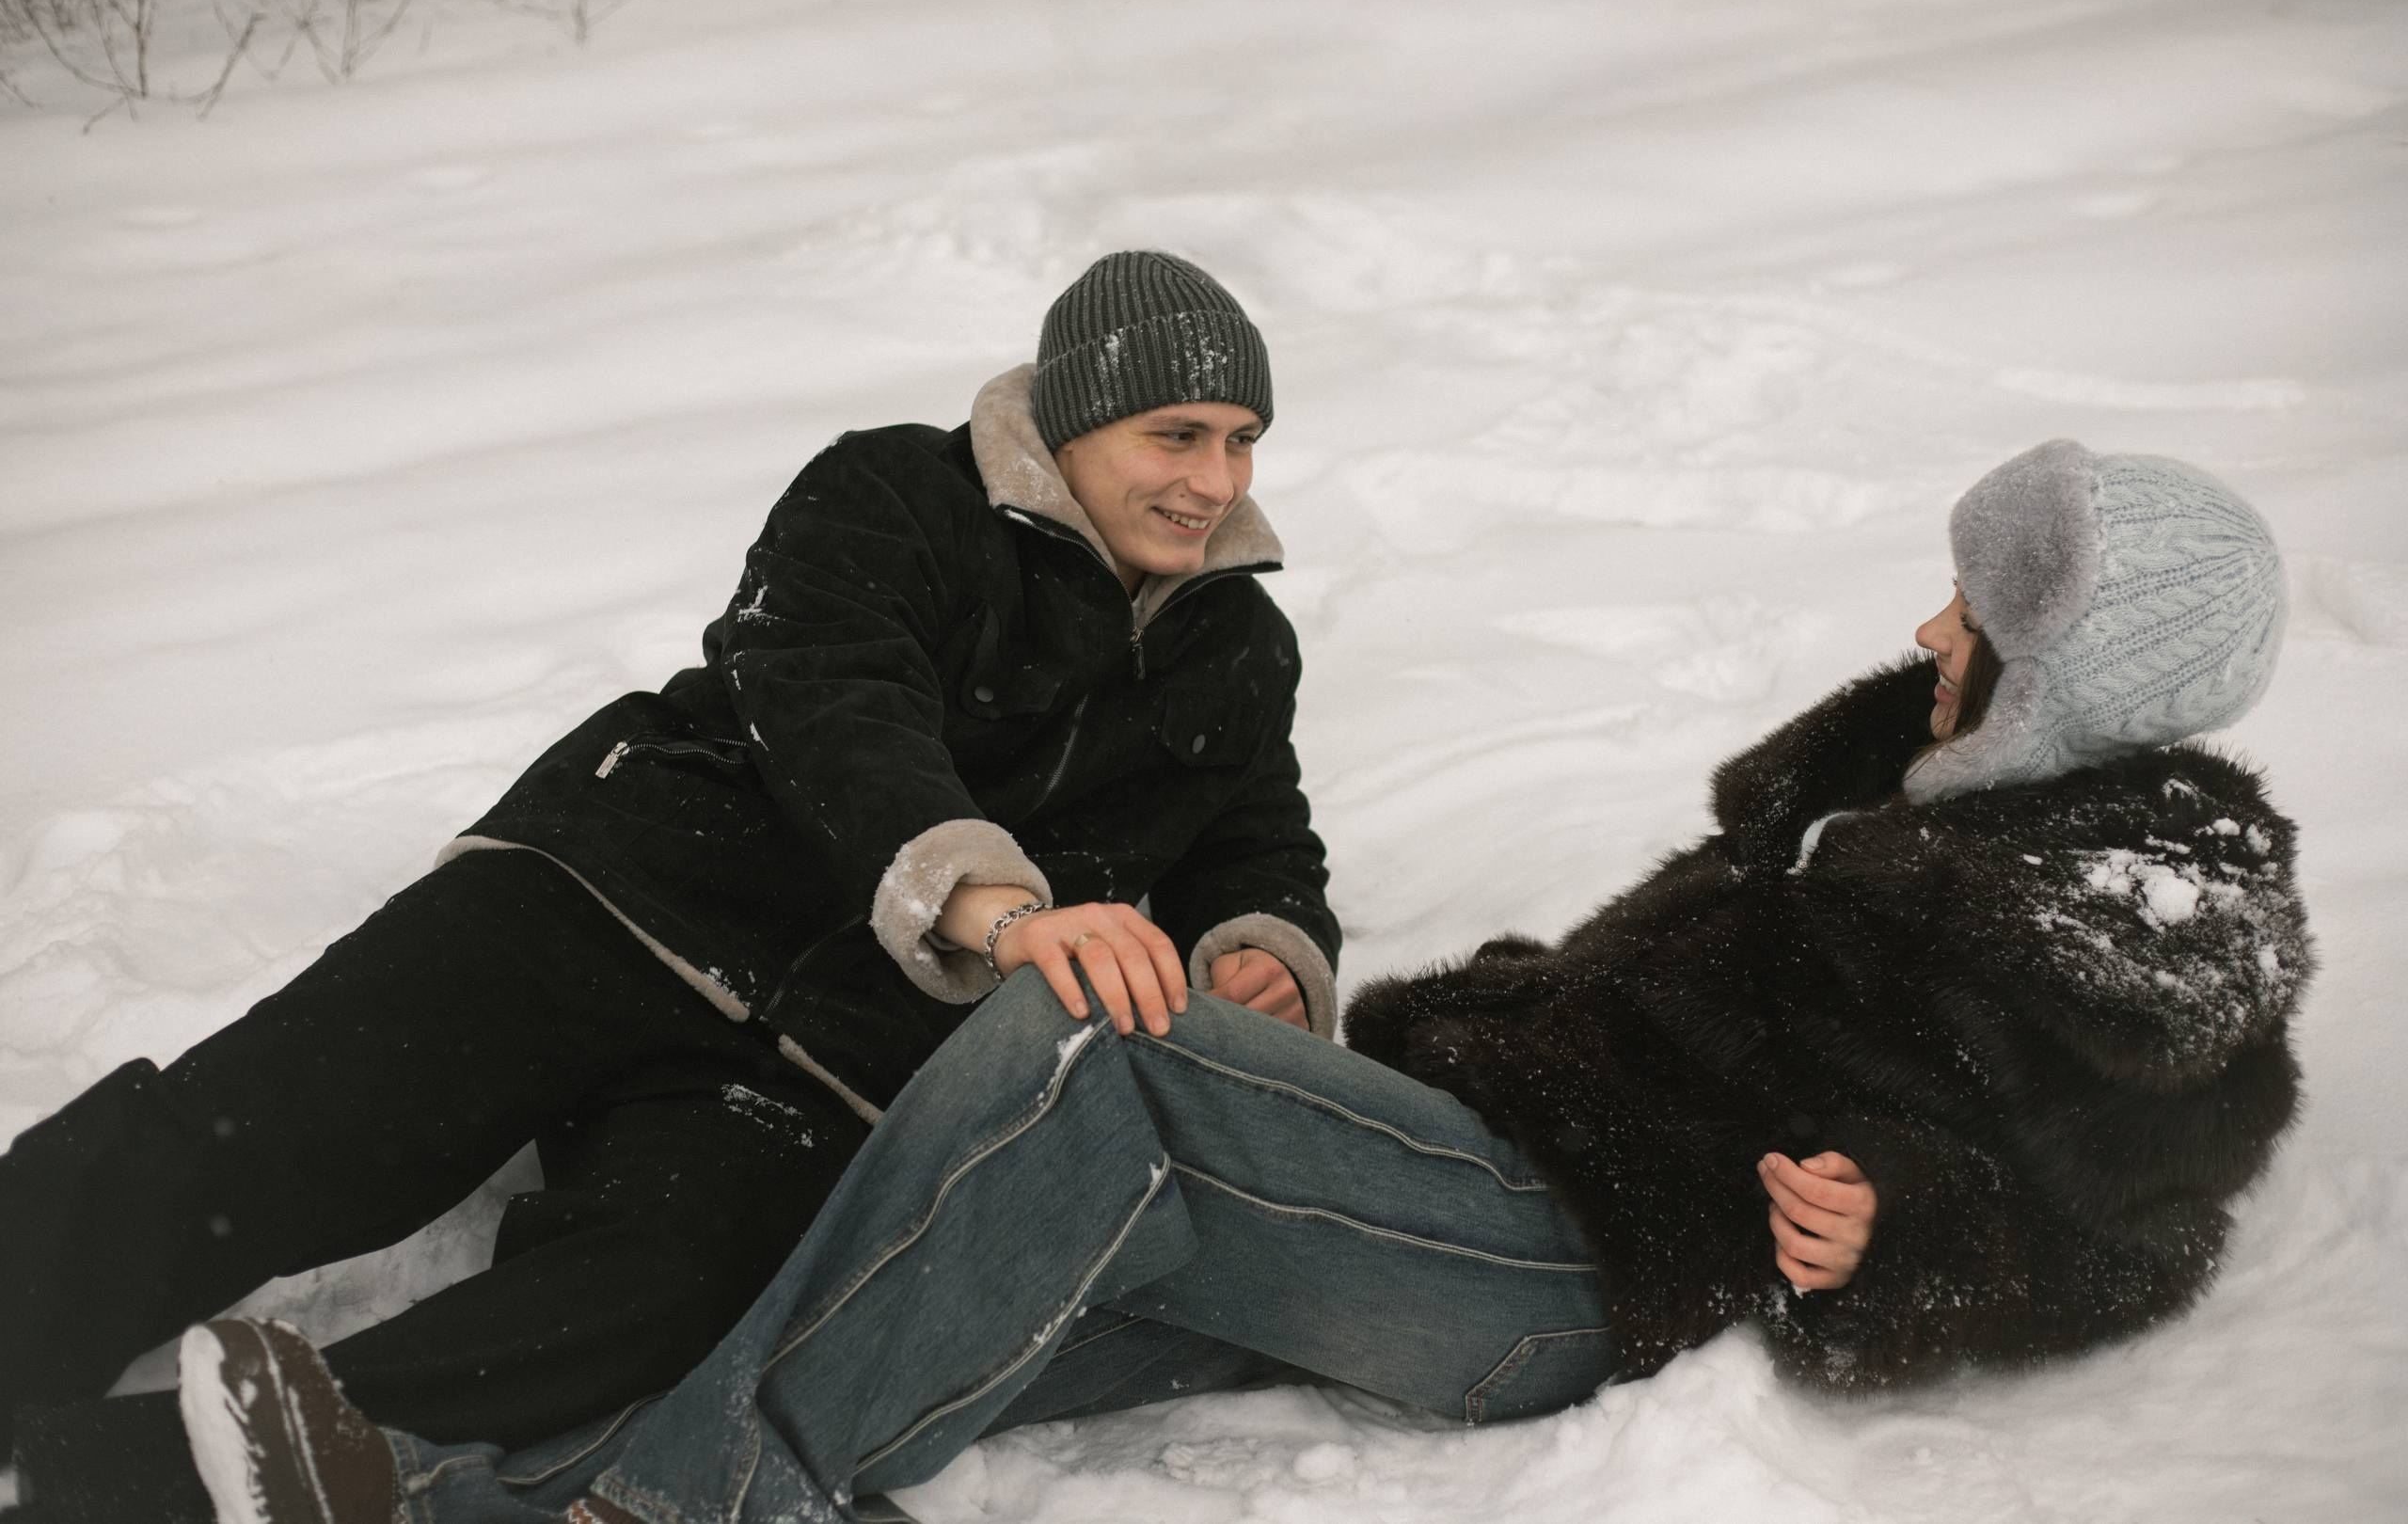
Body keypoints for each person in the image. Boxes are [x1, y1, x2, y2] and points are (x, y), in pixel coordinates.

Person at [173, 439, 2306, 1524]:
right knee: (945, 1286)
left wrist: (1894, 1240)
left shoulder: (2142, 904)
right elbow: (1657, 1010)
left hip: (1580, 1259)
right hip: (1489, 1160)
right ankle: (433, 1500)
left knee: (1088, 1046)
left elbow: (2132, 1243)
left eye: (1982, 603)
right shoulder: (1892, 799)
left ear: (2069, 664)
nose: (1930, 622)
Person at [0, 252, 1341, 1523]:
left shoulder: (1239, 647)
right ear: (1073, 419)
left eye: (1241, 440)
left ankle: (141, 1471)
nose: (1214, 479)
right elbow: (835, 712)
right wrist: (997, 909)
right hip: (608, 901)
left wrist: (1267, 944)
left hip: (824, 1062)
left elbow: (1257, 837)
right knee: (264, 1131)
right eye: (1178, 434)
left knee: (661, 1294)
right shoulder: (893, 495)